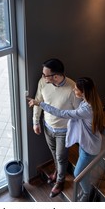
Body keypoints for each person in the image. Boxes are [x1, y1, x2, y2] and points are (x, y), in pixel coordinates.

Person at [28, 77, 104, 202]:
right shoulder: (89, 102)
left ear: (83, 92)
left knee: (78, 173)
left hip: (89, 148)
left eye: (76, 89)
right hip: (86, 143)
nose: (74, 89)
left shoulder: (86, 109)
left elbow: (62, 113)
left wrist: (39, 103)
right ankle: (87, 189)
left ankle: (87, 193)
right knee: (84, 171)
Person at [31, 58, 81, 198]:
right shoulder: (43, 82)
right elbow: (38, 101)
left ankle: (60, 181)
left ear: (56, 76)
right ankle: (57, 172)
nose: (42, 77)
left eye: (45, 75)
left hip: (63, 131)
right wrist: (36, 122)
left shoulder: (72, 89)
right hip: (47, 126)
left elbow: (78, 113)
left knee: (61, 157)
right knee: (54, 153)